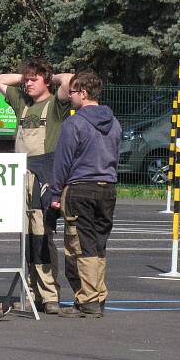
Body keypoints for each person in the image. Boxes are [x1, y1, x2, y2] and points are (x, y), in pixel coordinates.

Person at [0, 59, 73, 315]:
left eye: (33, 79)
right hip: (20, 173)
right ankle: (32, 290)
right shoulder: (22, 103)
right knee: (26, 235)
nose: (27, 83)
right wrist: (27, 76)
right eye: (26, 79)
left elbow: (70, 80)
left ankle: (50, 295)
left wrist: (48, 76)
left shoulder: (56, 105)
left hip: (44, 174)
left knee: (42, 235)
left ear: (47, 81)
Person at [49, 71, 121, 318]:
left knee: (80, 245)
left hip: (80, 189)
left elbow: (63, 161)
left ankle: (87, 300)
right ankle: (98, 296)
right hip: (108, 188)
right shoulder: (115, 122)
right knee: (99, 244)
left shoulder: (75, 123)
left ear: (83, 93)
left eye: (72, 92)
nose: (70, 97)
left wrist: (55, 193)